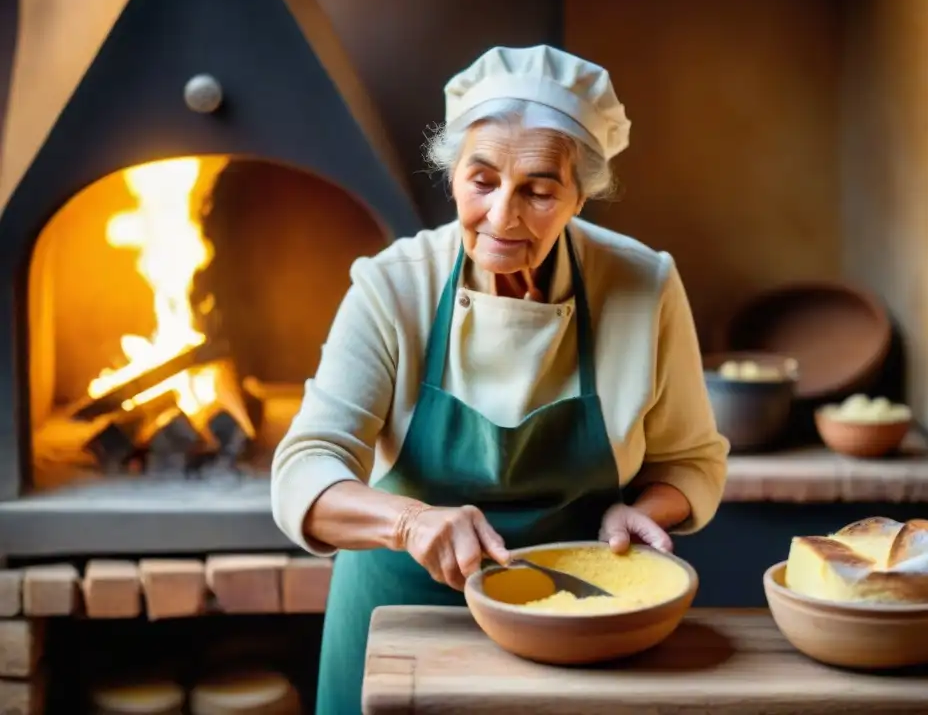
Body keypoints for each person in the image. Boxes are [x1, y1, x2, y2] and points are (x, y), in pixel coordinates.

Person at [270, 44, 729, 714]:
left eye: (539, 190)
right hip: (401, 620)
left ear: (581, 194)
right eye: (482, 181)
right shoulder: (393, 285)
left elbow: (691, 460)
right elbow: (304, 469)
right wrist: (407, 523)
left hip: (576, 621)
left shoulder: (644, 285)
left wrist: (645, 511)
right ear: (454, 175)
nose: (504, 217)